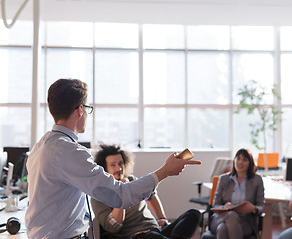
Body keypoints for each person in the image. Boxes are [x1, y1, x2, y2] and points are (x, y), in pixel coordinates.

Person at [24, 78, 201, 239]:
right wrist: (165, 171)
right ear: (80, 109)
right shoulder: (69, 151)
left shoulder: (40, 147)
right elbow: (120, 196)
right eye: (88, 109)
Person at [91, 144, 201, 239]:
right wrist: (121, 191)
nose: (119, 168)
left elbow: (152, 195)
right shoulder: (99, 195)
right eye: (113, 165)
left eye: (120, 163)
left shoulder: (132, 180)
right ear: (104, 169)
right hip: (137, 235)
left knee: (194, 214)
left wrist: (161, 218)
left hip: (156, 230)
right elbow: (114, 227)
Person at [209, 148, 264, 239]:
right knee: (231, 215)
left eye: (244, 160)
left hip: (245, 221)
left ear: (250, 163)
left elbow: (261, 205)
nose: (240, 162)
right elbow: (216, 205)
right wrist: (224, 207)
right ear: (234, 160)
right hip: (220, 218)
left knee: (222, 230)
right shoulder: (223, 179)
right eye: (238, 158)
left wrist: (253, 208)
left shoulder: (256, 180)